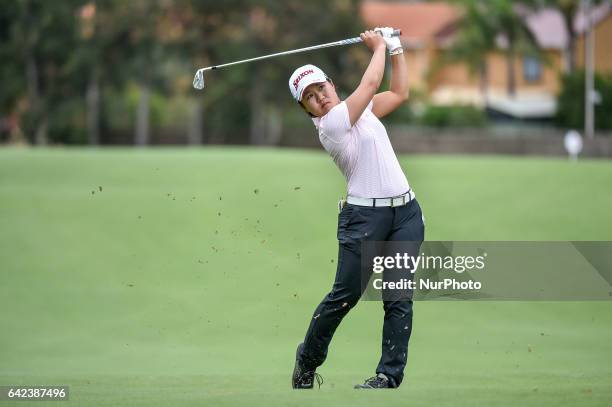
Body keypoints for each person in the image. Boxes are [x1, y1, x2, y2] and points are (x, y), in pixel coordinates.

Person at [289, 28, 425, 389]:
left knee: (398, 298)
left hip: (405, 215)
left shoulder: (360, 112)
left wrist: (396, 47)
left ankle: (388, 376)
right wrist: (378, 45)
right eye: (310, 97)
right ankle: (307, 361)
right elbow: (369, 84)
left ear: (332, 84)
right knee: (345, 296)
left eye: (322, 88)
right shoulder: (331, 125)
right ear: (305, 109)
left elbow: (399, 92)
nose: (320, 97)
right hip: (364, 219)